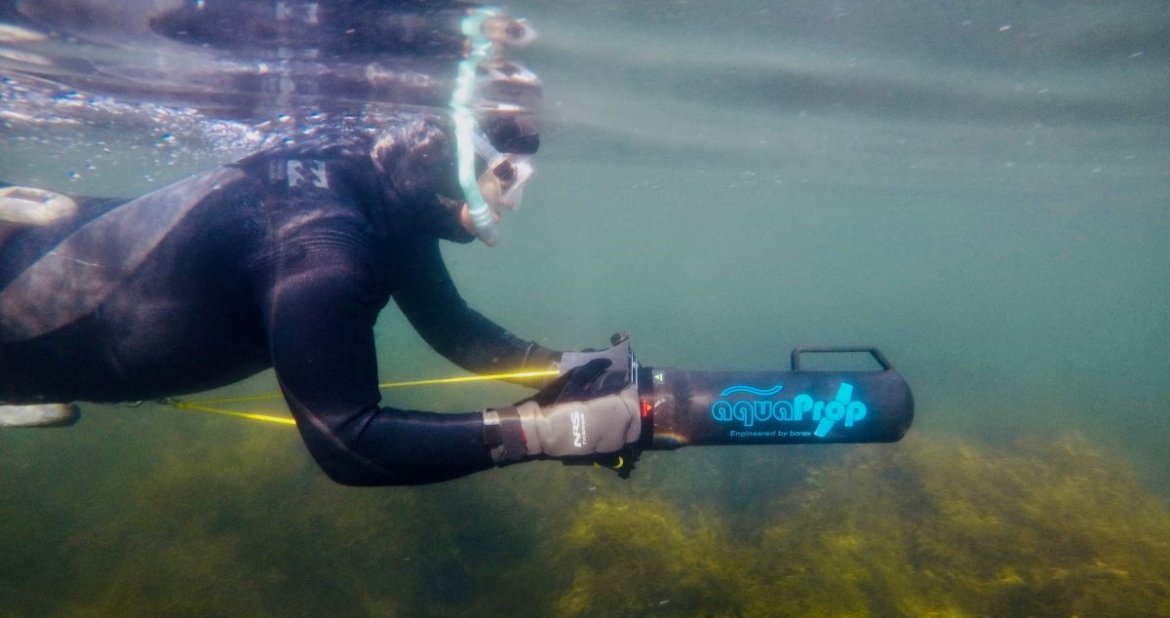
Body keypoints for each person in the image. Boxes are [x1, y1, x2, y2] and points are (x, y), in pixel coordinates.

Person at [0, 1, 641, 485]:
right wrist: (549, 432)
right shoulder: (324, 239)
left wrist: (570, 370)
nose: (508, 202)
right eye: (505, 177)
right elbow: (349, 443)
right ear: (452, 150)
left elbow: (453, 330)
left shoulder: (383, 198)